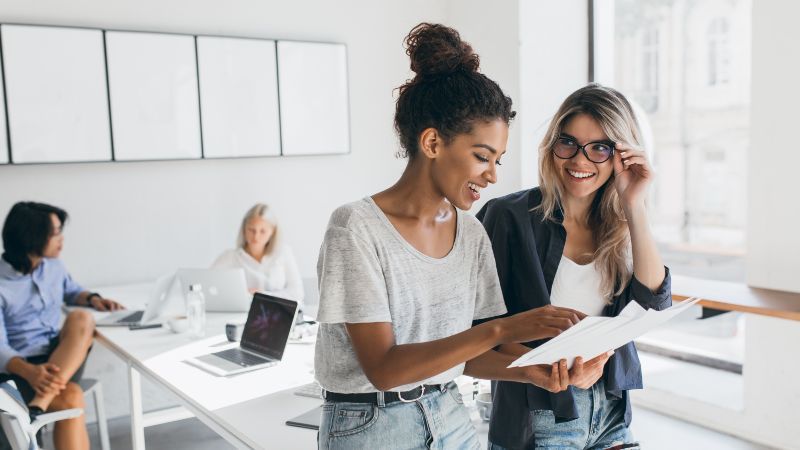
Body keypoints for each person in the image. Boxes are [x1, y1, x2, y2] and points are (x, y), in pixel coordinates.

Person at [313, 23, 585, 450]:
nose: (492, 175)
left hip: (450, 414)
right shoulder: (355, 228)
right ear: (433, 142)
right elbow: (384, 368)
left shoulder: (471, 233)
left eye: (498, 160)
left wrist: (530, 369)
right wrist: (501, 330)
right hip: (370, 424)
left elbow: (465, 356)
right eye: (482, 156)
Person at [475, 84, 672, 449]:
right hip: (539, 416)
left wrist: (635, 205)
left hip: (611, 413)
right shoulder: (509, 217)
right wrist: (553, 369)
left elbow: (653, 305)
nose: (580, 161)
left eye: (600, 148)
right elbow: (477, 333)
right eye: (568, 143)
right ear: (552, 146)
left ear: (621, 155)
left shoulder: (621, 224)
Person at [0, 202, 123, 450]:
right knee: (71, 396)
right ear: (31, 237)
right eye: (55, 233)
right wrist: (30, 372)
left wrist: (92, 299)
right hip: (18, 370)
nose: (62, 239)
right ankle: (40, 401)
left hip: (58, 360)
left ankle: (40, 401)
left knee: (81, 317)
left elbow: (72, 291)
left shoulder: (53, 266)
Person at [212, 203, 304, 304]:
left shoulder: (284, 253)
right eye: (251, 230)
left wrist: (262, 296)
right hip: (242, 315)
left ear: (272, 232)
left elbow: (297, 293)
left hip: (278, 314)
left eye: (263, 231)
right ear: (244, 229)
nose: (256, 236)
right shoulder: (230, 257)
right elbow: (209, 287)